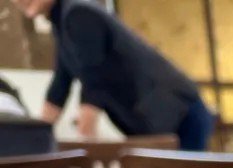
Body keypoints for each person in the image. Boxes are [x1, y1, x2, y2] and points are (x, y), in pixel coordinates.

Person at [9, 0, 215, 150]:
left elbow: (95, 79)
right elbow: (60, 85)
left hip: (179, 114)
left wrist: (85, 139)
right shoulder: (62, 22)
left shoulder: (78, 12)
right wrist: (34, 139)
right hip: (158, 121)